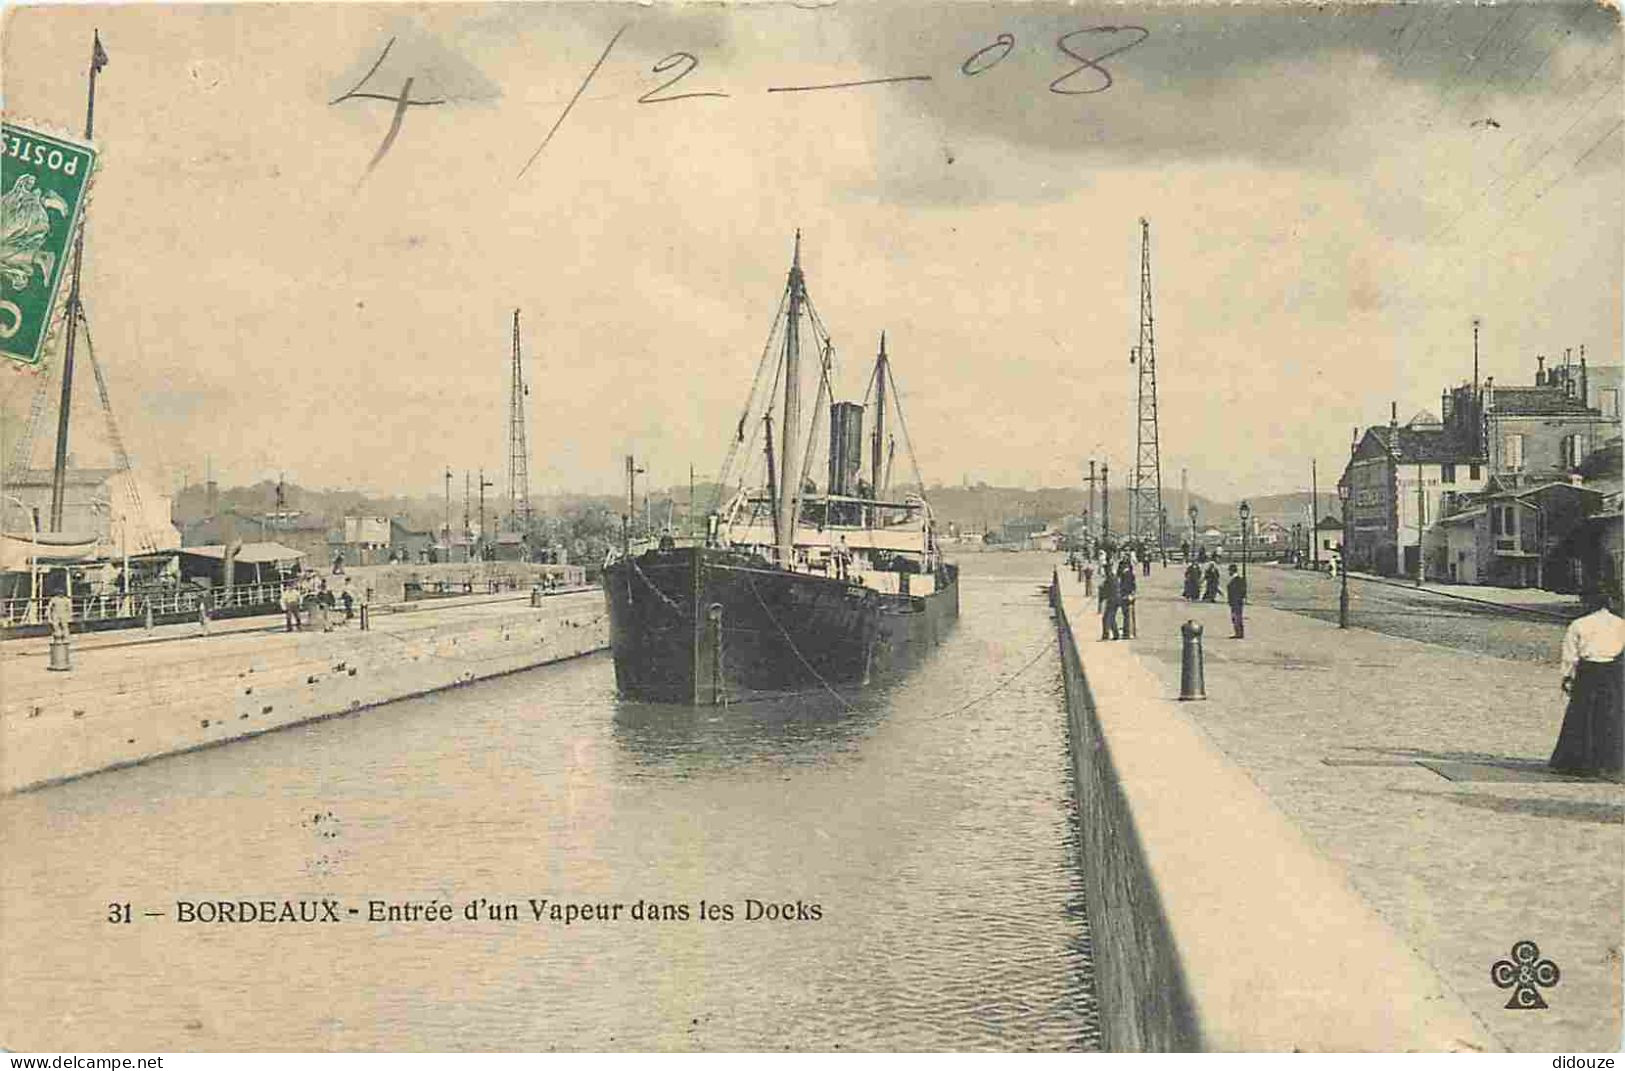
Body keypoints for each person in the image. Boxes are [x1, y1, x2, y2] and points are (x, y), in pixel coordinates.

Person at [1549, 583, 1624, 777]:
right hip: (1613, 673)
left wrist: (1567, 676)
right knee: (1611, 716)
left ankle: (1578, 761)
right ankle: (1609, 762)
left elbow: (1570, 654)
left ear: (1588, 601)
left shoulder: (1579, 624)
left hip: (1588, 672)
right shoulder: (1620, 623)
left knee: (1582, 715)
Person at [1098, 560, 1120, 641]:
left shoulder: (1110, 578)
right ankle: (1115, 634)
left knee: (1107, 618)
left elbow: (1107, 590)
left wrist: (1102, 591)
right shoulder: (1113, 577)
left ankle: (1106, 635)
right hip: (1115, 599)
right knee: (1111, 618)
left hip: (1112, 600)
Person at [1117, 556, 1138, 638]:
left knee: (1126, 614)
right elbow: (1133, 585)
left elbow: (1126, 585)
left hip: (1125, 595)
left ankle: (1128, 632)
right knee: (1129, 615)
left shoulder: (1125, 575)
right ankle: (1131, 631)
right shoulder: (1131, 574)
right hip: (1129, 595)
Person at [1226, 564, 1247, 639]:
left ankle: (1239, 633)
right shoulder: (1234, 579)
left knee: (1237, 617)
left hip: (1236, 601)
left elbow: (1242, 591)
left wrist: (1239, 599)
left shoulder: (1237, 580)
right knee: (1235, 617)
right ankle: (1238, 632)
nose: (1229, 572)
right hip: (1234, 601)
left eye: (1229, 570)